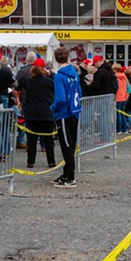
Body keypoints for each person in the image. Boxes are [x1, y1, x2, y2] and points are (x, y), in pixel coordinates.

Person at [51, 46, 81, 188]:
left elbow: (60, 98)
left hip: (63, 113)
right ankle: (66, 173)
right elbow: (79, 91)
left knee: (66, 145)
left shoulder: (59, 76)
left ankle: (70, 177)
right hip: (74, 111)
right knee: (71, 143)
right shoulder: (74, 73)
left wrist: (52, 108)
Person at [22, 58, 56, 169]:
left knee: (31, 139)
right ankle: (51, 161)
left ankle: (30, 161)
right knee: (48, 139)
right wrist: (50, 74)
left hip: (32, 112)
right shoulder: (47, 81)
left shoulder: (27, 80)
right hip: (46, 112)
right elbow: (54, 85)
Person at [14, 51, 38, 150]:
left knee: (24, 120)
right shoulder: (39, 70)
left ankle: (21, 140)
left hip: (25, 99)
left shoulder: (22, 71)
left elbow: (17, 86)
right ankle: (37, 142)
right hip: (38, 99)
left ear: (27, 60)